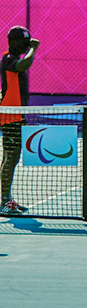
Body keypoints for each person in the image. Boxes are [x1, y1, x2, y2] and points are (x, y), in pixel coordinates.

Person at [0, 26, 39, 215]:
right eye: (24, 42)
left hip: (18, 115)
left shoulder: (13, 59)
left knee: (12, 158)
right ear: (14, 42)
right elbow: (24, 65)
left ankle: (7, 199)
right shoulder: (9, 59)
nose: (27, 45)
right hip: (9, 116)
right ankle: (4, 201)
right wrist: (34, 49)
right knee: (10, 158)